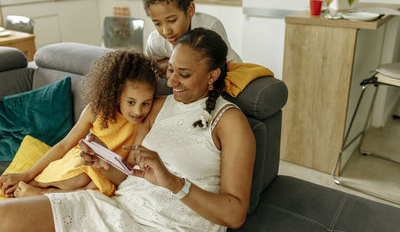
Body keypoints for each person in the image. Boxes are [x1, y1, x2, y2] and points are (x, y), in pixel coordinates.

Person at [0, 28, 255, 231]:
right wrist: (104, 163)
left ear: (212, 76)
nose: (171, 81)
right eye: (170, 70)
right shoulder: (155, 107)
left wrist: (174, 183)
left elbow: (235, 215)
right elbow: (130, 177)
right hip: (114, 208)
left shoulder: (229, 122)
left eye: (184, 75)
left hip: (164, 225)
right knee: (6, 217)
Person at [0, 50, 156, 198]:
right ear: (116, 94)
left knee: (97, 189)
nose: (138, 111)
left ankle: (41, 193)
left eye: (146, 103)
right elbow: (64, 145)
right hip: (82, 161)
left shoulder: (142, 123)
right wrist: (27, 175)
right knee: (81, 177)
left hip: (108, 172)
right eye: (131, 102)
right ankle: (34, 184)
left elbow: (127, 169)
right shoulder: (96, 110)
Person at [143, 0, 242, 77]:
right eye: (157, 24)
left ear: (190, 10)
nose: (166, 31)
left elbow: (228, 68)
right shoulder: (155, 42)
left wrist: (174, 65)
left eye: (172, 20)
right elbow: (149, 68)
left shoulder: (209, 28)